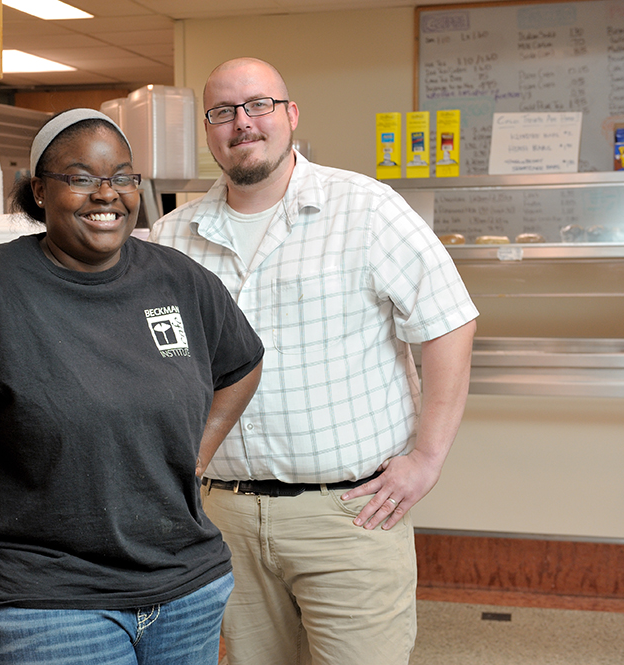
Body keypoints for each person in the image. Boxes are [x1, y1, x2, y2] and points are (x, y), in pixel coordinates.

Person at [0, 108, 265, 665]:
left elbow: (243, 364)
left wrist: (195, 454)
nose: (107, 194)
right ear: (40, 191)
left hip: (186, 588)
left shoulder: (179, 279)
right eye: (82, 178)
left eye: (122, 177)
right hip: (47, 602)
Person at [149, 58, 478, 665]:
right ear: (208, 130)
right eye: (223, 112)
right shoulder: (172, 238)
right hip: (224, 518)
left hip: (349, 516)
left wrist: (427, 459)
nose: (241, 123)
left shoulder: (366, 209)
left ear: (290, 115)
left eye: (258, 106)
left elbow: (450, 322)